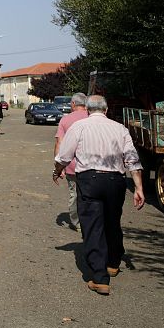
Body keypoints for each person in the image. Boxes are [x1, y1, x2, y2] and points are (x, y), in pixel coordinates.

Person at [53, 95, 144, 296]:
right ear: (106, 109)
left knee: (93, 226)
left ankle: (100, 278)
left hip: (90, 180)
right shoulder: (120, 128)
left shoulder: (79, 127)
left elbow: (64, 156)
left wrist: (57, 170)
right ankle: (113, 262)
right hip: (115, 181)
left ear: (87, 109)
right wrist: (139, 188)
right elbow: (132, 159)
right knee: (112, 221)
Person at [54, 92, 89, 232]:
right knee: (90, 194)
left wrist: (58, 167)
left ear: (73, 104)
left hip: (72, 165)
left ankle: (77, 223)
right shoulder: (92, 117)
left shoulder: (65, 120)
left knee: (74, 194)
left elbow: (59, 143)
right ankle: (91, 221)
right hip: (92, 165)